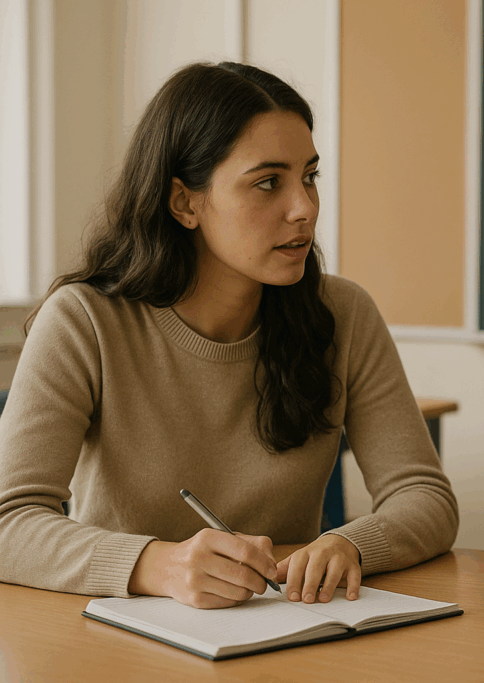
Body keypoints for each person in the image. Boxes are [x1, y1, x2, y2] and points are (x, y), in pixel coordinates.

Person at [0, 62, 458, 609]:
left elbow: (426, 497)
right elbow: (9, 522)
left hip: (284, 629)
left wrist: (350, 543)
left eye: (309, 177)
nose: (304, 209)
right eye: (268, 183)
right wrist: (158, 565)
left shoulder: (343, 313)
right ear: (184, 203)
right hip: (120, 631)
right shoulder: (83, 321)